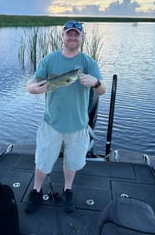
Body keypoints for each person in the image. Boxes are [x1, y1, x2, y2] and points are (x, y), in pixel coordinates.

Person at [25, 20, 106, 213]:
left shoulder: (88, 62)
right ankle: (36, 190)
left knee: (72, 162)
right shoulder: (49, 59)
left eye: (76, 34)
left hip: (78, 124)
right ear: (62, 36)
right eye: (69, 33)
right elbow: (34, 81)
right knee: (43, 160)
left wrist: (95, 83)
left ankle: (68, 189)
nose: (72, 37)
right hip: (51, 123)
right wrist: (31, 88)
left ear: (82, 38)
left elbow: (102, 89)